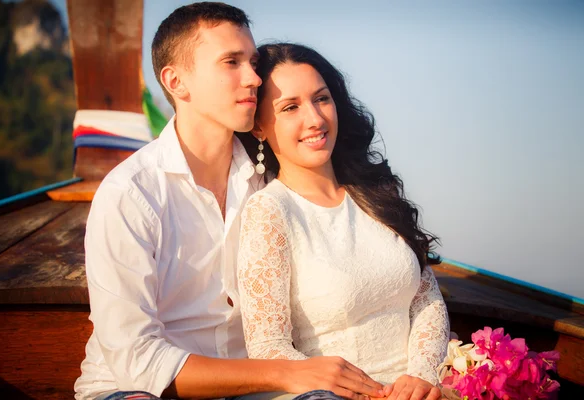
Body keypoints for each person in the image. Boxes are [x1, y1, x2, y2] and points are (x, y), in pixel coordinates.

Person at [74, 3, 386, 400]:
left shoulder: (272, 182)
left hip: (255, 389)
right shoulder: (130, 193)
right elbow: (138, 360)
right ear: (176, 81)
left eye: (253, 62)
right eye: (231, 62)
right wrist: (283, 375)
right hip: (137, 390)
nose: (254, 78)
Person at [236, 43, 450, 400]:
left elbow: (426, 299)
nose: (316, 119)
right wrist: (364, 392)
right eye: (290, 107)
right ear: (259, 128)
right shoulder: (270, 212)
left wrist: (422, 376)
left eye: (321, 99)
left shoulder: (375, 193)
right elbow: (268, 346)